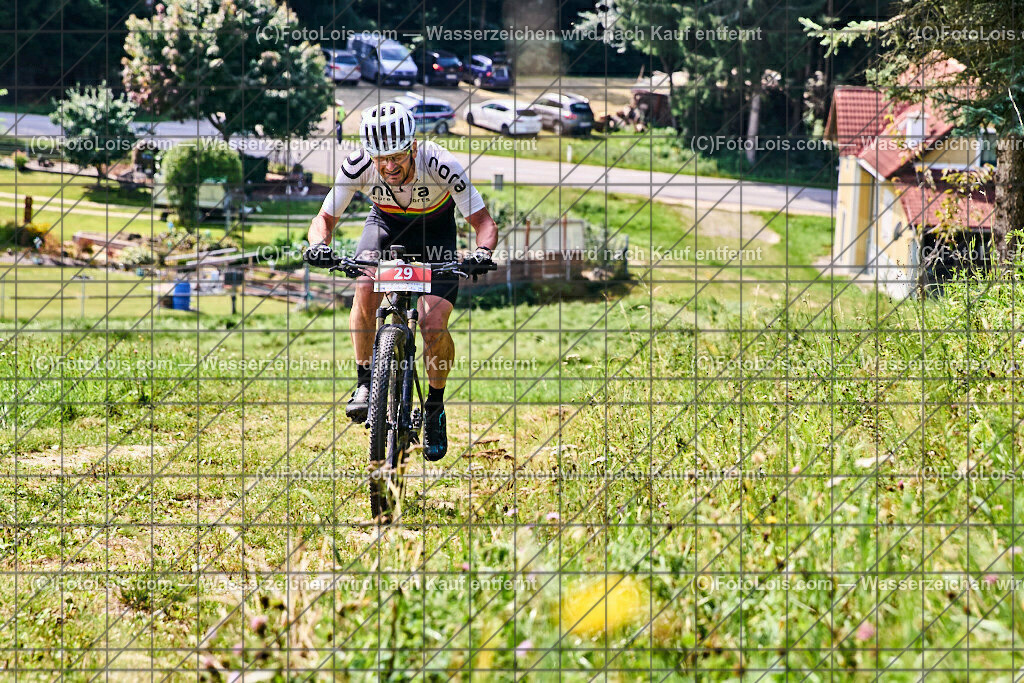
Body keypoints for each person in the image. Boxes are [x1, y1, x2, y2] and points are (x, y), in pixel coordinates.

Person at [305, 102, 498, 461]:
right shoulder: (357, 165)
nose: (389, 166)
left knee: (432, 322)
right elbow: (325, 218)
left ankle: (435, 408)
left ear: (412, 147)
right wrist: (318, 245)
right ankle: (365, 383)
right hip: (385, 226)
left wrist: (481, 254)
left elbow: (485, 224)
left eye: (397, 156)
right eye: (381, 159)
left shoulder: (440, 163)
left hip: (436, 234)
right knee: (364, 286)